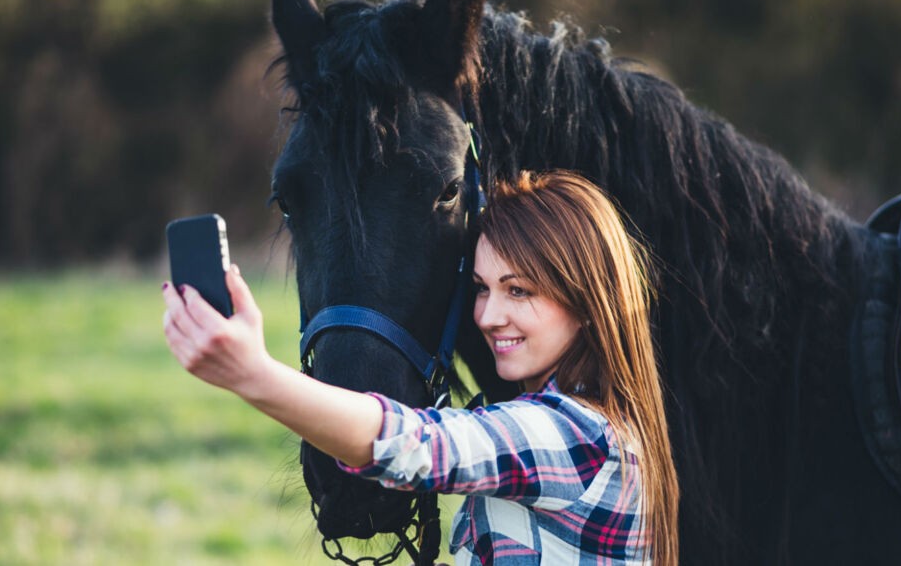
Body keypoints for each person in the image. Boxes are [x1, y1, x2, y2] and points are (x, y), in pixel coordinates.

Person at [161, 170, 679, 565]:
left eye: (519, 290)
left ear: (587, 302)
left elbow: (417, 446)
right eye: (482, 288)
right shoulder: (593, 421)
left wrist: (253, 374)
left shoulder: (578, 436)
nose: (489, 316)